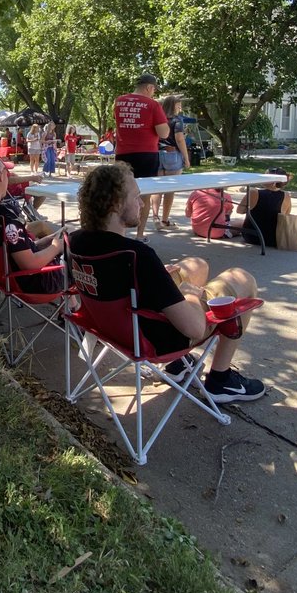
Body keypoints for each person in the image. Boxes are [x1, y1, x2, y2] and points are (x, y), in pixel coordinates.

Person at [69, 163, 265, 403]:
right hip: (153, 340)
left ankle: (179, 365)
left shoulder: (77, 241)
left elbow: (109, 279)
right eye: (137, 197)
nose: (142, 204)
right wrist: (190, 294)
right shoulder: (138, 255)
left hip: (111, 326)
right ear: (116, 204)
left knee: (197, 264)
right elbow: (194, 328)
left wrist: (158, 276)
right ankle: (220, 380)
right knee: (242, 279)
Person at [0, 156, 64, 293]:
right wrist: (56, 247)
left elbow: (9, 251)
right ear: (1, 176)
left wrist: (41, 243)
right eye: (7, 174)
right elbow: (29, 264)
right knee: (74, 256)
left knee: (57, 246)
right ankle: (75, 308)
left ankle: (71, 306)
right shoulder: (5, 216)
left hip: (0, 275)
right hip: (32, 282)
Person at [113, 72, 170, 239]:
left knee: (120, 193)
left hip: (123, 153)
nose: (153, 93)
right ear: (148, 87)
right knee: (144, 194)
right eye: (153, 89)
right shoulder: (153, 105)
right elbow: (164, 133)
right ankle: (139, 235)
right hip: (146, 154)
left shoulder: (119, 101)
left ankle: (118, 233)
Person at [151, 93, 190, 229]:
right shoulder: (177, 120)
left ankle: (155, 217)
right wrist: (186, 157)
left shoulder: (158, 119)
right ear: (173, 105)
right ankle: (165, 220)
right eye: (179, 104)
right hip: (172, 154)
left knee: (157, 188)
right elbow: (179, 138)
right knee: (170, 189)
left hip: (156, 154)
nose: (180, 107)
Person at [238, 167, 292, 248]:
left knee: (237, 221)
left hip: (253, 236)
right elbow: (286, 214)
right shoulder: (286, 196)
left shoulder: (254, 192)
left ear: (272, 180)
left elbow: (239, 211)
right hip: (275, 238)